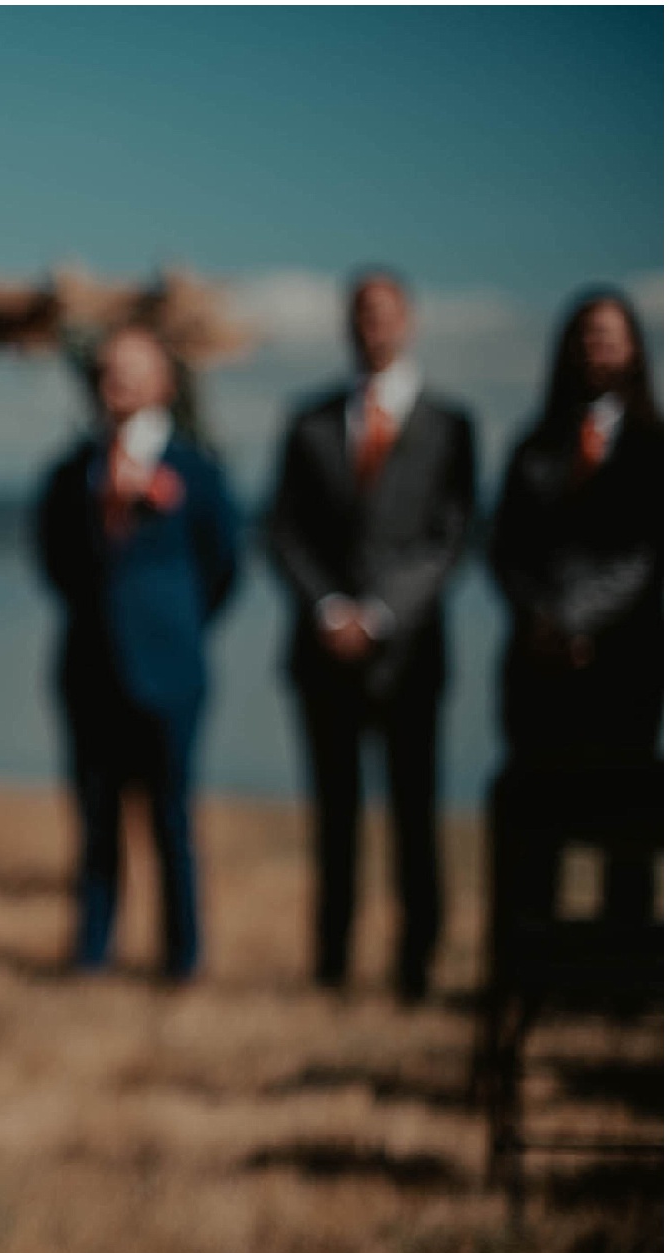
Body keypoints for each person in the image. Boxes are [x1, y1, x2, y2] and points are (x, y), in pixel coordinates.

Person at [267, 269, 478, 1002]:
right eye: (361, 314)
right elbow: (283, 528)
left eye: (385, 314)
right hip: (322, 655)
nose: (372, 327)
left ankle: (416, 969)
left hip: (411, 656)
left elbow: (450, 538)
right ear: (346, 323)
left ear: (408, 322)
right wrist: (328, 608)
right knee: (335, 823)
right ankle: (331, 966)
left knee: (416, 822)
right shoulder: (310, 421)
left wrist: (382, 613)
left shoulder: (450, 425)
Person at [35, 326, 240, 980]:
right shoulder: (70, 470)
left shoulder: (198, 470)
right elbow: (55, 560)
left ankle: (182, 959)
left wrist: (175, 627)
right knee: (95, 821)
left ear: (165, 383)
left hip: (171, 672)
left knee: (172, 821)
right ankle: (92, 953)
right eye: (107, 368)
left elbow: (223, 564)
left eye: (133, 367)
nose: (116, 379)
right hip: (88, 669)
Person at [488, 290, 663, 930]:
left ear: (635, 349)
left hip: (624, 666)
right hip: (537, 666)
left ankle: (620, 972)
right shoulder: (535, 443)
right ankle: (532, 966)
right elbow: (504, 545)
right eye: (586, 336)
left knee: (625, 823)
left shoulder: (654, 446)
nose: (597, 348)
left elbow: (647, 554)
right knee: (538, 816)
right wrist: (542, 620)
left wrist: (582, 623)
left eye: (611, 335)